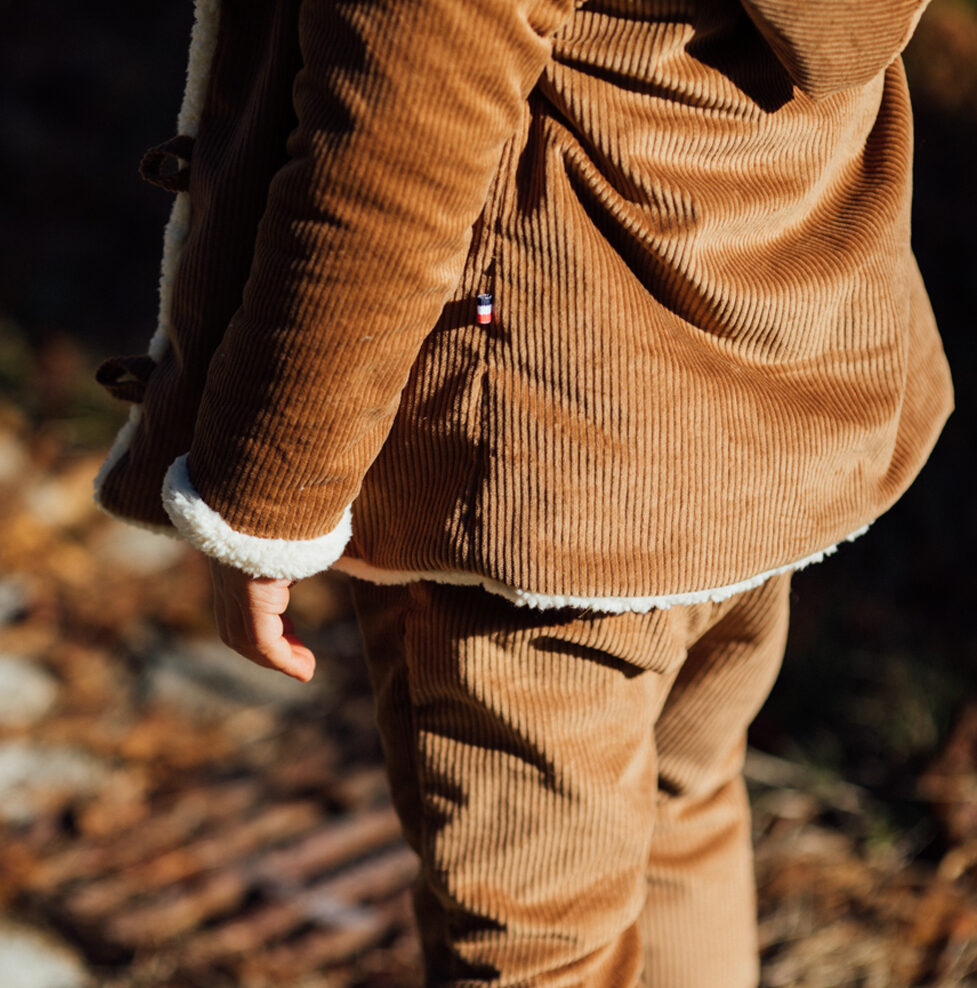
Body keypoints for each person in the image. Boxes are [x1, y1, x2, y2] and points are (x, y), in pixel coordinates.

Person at [94, 0, 952, 983]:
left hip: (545, 473)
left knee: (536, 948)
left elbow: (389, 152)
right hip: (762, 396)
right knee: (675, 808)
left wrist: (266, 495)